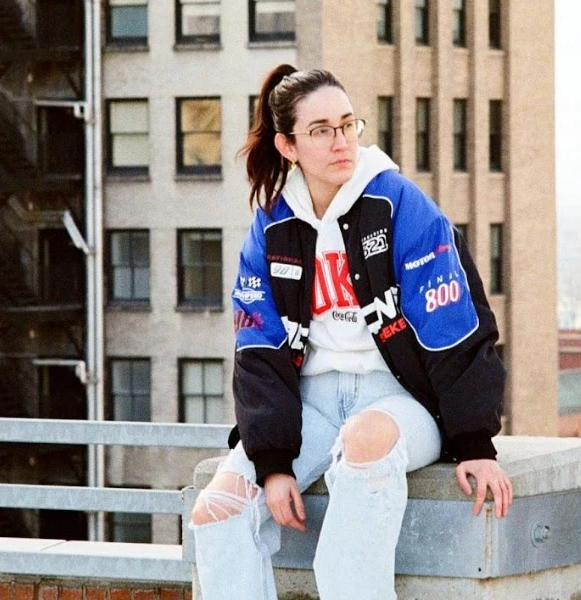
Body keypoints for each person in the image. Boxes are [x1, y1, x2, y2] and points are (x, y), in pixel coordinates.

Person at [189, 64, 512, 600]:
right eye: (320, 131)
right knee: (217, 512)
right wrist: (272, 463)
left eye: (347, 124)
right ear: (288, 146)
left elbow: (453, 320)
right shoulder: (273, 225)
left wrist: (475, 441)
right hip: (311, 404)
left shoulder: (397, 204)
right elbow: (258, 346)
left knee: (363, 452)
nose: (341, 142)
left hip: (398, 402)